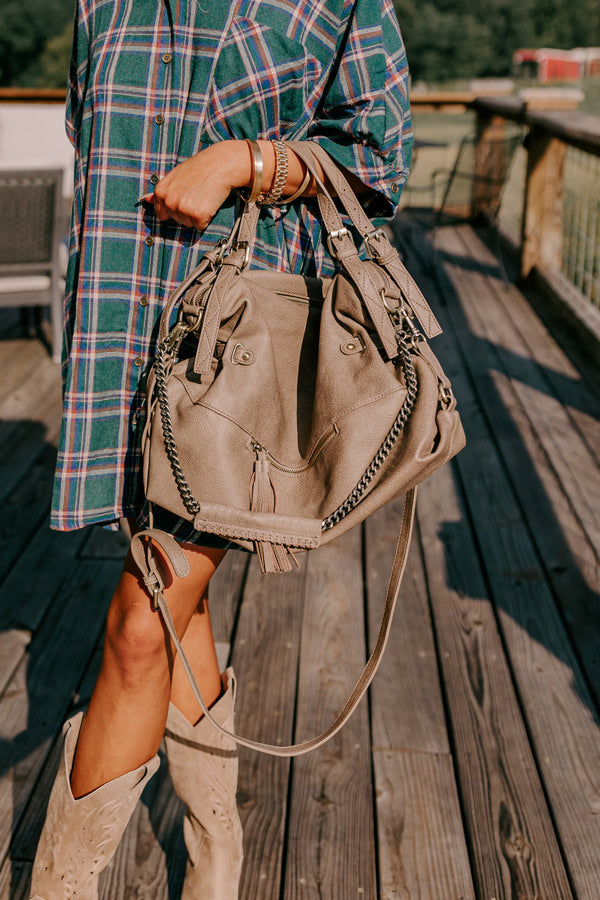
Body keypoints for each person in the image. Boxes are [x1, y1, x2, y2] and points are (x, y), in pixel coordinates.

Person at [29, 1, 413, 897]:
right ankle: (217, 855)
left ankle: (57, 886)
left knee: (137, 623)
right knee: (176, 613)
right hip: (120, 335)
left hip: (235, 353)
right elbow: (95, 131)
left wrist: (245, 161)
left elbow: (382, 155)